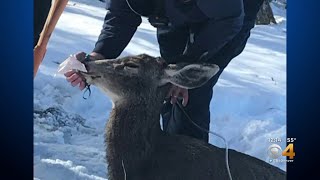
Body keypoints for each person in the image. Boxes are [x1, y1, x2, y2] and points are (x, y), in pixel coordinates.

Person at [65, 0, 265, 143]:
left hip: (226, 22)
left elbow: (228, 19)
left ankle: (191, 167)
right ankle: (159, 161)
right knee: (165, 89)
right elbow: (121, 15)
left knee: (190, 94)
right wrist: (99, 56)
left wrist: (186, 66)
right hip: (173, 16)